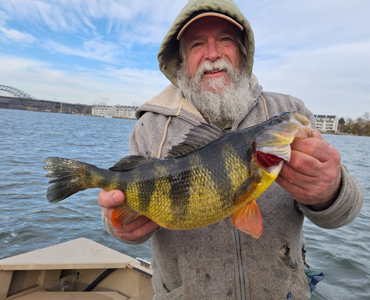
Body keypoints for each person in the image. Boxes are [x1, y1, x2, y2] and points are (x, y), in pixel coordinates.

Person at [99, 0, 365, 299]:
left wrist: (331, 190)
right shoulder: (149, 127)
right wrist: (118, 227)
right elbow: (123, 214)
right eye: (198, 43)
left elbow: (345, 214)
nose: (213, 54)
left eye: (225, 39)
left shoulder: (289, 111)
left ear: (242, 51)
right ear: (182, 60)